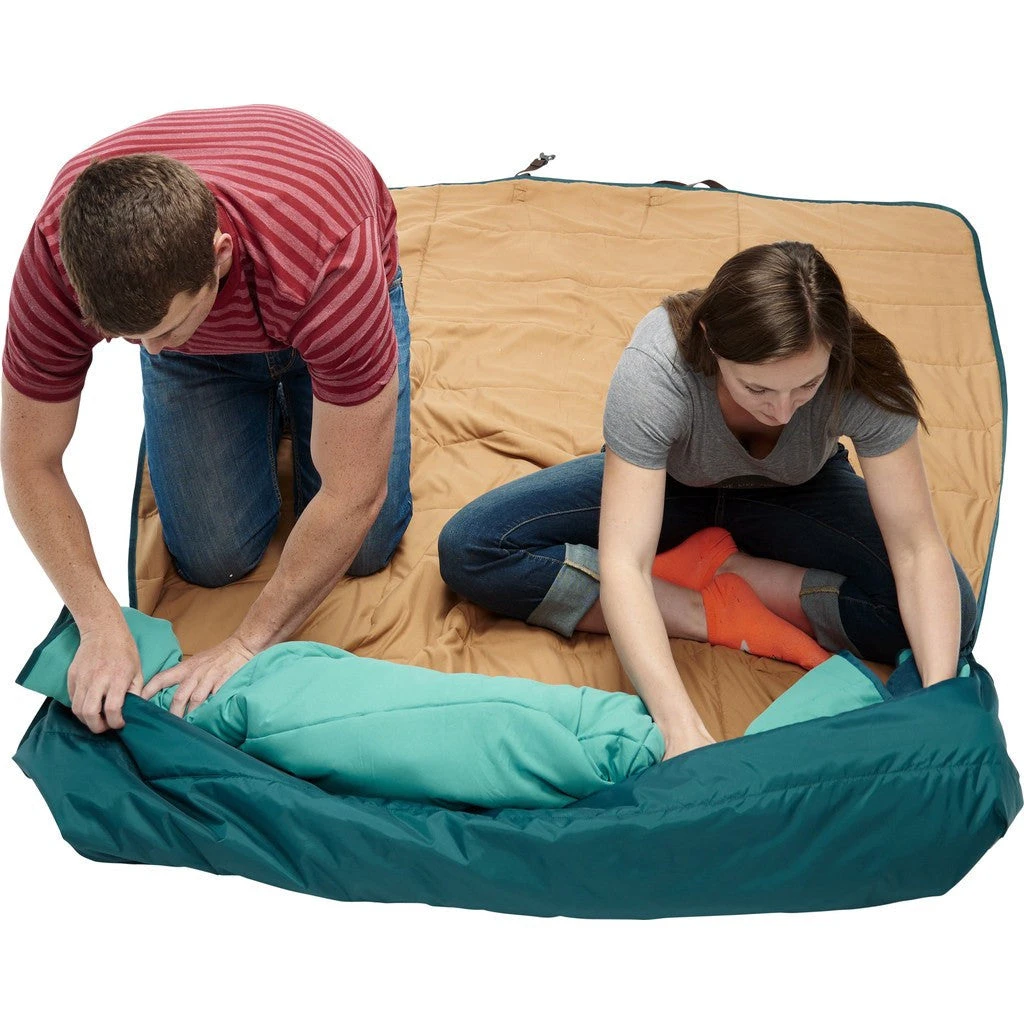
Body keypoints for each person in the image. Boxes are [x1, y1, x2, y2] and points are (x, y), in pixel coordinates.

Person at [437, 241, 977, 760]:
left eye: (807, 386)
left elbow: (916, 548)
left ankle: (741, 575)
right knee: (474, 548)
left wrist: (938, 701)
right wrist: (680, 728)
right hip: (670, 487)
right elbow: (625, 563)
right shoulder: (657, 369)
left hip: (798, 492)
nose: (783, 412)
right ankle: (704, 609)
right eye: (757, 389)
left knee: (952, 617)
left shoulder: (864, 371)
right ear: (710, 343)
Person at [1, 105, 412, 734]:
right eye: (128, 338)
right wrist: (99, 622)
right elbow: (26, 459)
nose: (150, 350)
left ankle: (317, 386)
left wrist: (247, 644)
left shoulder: (327, 259)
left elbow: (355, 494)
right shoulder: (57, 259)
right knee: (212, 559)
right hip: (208, 351)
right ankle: (276, 399)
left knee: (368, 546)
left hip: (315, 290)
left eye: (162, 328)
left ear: (220, 256)